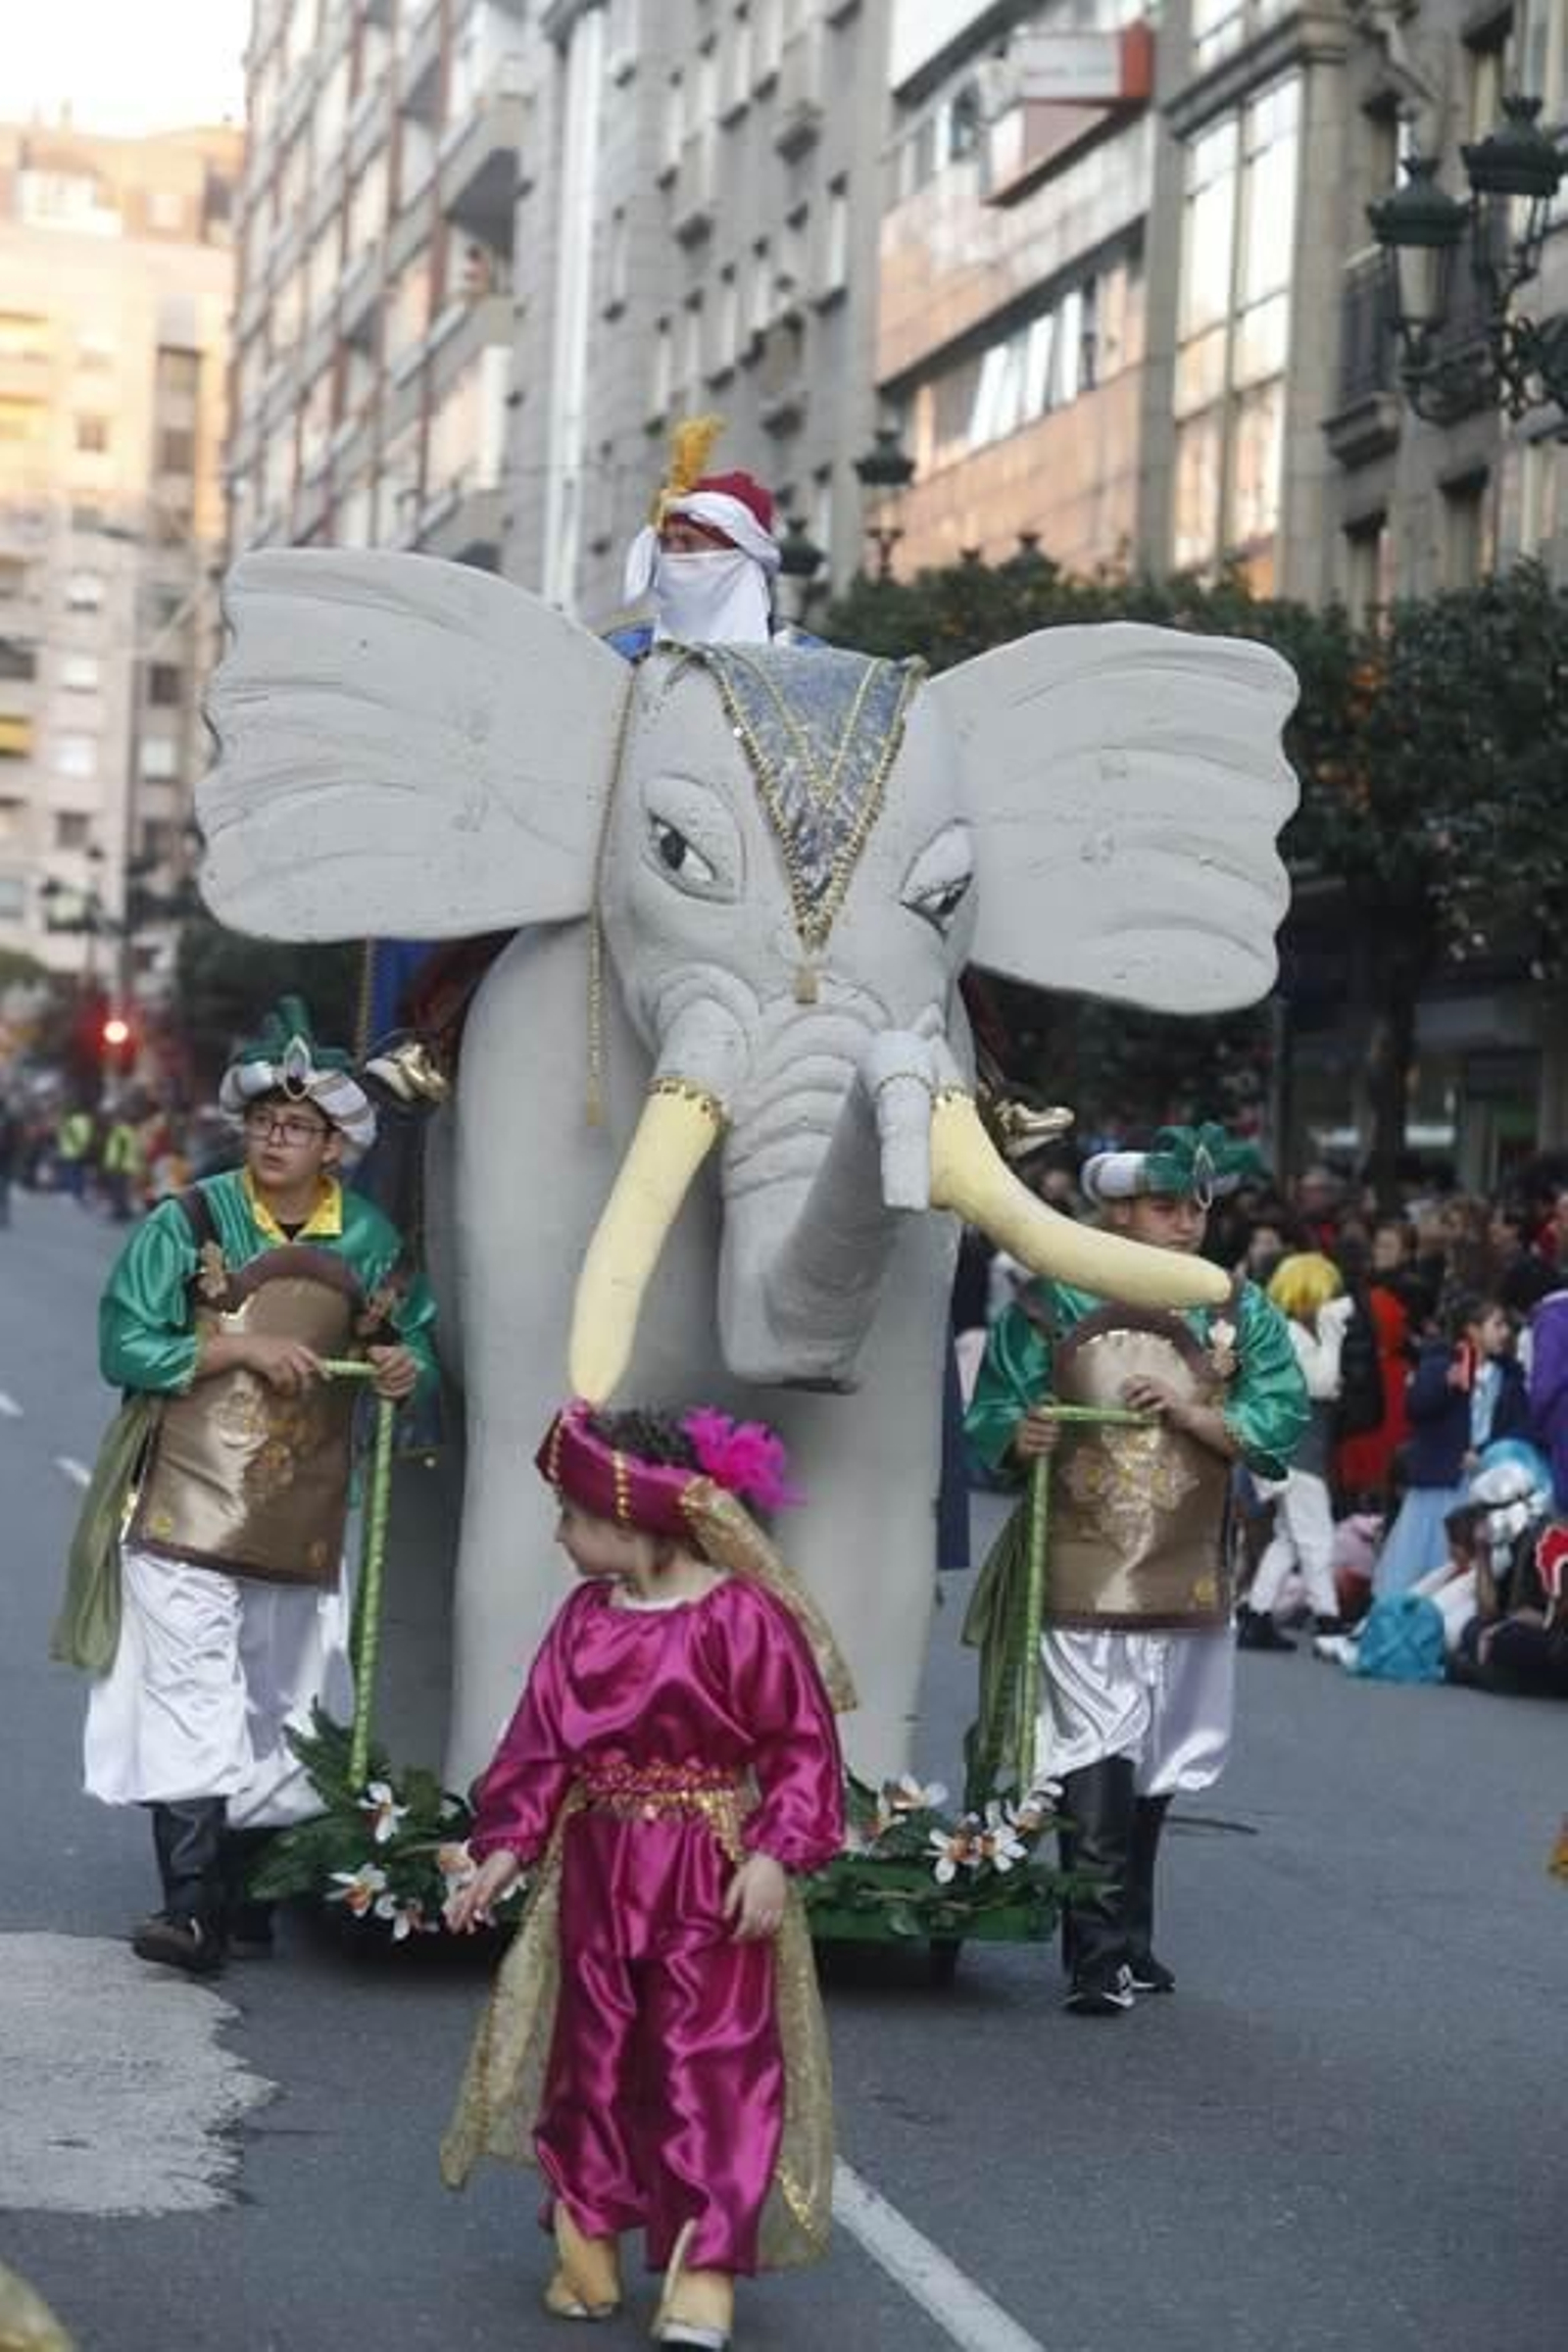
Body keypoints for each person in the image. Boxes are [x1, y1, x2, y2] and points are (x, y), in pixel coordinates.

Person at [440, 1401, 852, 2351]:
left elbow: (799, 1749)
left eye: (571, 1519)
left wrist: (772, 1857)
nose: (558, 1537)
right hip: (597, 1867)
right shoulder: (584, 1620)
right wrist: (503, 1849)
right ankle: (584, 2244)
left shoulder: (740, 1619)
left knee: (711, 2064)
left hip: (705, 1870)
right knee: (592, 2059)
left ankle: (703, 2270)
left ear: (629, 1527)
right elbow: (539, 1748)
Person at [58, 997, 439, 1976]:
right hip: (184, 1506)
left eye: (299, 1125)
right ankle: (188, 1909)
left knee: (281, 1704)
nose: (278, 1136)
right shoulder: (186, 1221)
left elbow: (411, 1343)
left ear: (334, 1144)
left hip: (300, 1517)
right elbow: (123, 1343)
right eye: (266, 1120)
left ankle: (247, 1885)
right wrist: (235, 1347)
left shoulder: (370, 1244)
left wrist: (403, 1367)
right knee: (192, 1692)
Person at [964, 1123, 1308, 2015]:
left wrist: (1199, 1413)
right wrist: (1021, 1432)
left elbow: (1279, 1409)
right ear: (1117, 1211)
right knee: (1095, 1739)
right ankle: (1094, 1948)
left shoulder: (1237, 1308)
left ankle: (1132, 1936)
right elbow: (994, 1410)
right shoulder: (1050, 1303)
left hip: (1190, 1562)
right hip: (1083, 1562)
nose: (1189, 1222)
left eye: (1198, 1205)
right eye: (1166, 1206)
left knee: (1158, 1752)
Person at [1374, 1294, 1532, 1596]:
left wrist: (1486, 1453)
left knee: (1465, 1568)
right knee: (1422, 1558)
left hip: (1481, 1482)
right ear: (1472, 1330)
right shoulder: (1439, 1364)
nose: (1505, 1332)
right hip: (1439, 1482)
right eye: (1496, 1325)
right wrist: (1445, 1384)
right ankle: (1403, 1622)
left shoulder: (1509, 1377)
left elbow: (1518, 1427)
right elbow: (1416, 1408)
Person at [612, 413, 808, 657]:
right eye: (665, 543)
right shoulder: (621, 655)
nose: (673, 556)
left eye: (688, 542)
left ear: (741, 556)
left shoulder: (804, 660)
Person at [1237, 1252, 1354, 1650]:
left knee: (1288, 1538)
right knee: (1316, 1537)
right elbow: (1322, 1383)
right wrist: (1333, 1331)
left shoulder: (1281, 1331)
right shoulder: (1289, 1333)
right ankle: (1328, 1618)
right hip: (1297, 1454)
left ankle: (1257, 1613)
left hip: (1288, 1452)